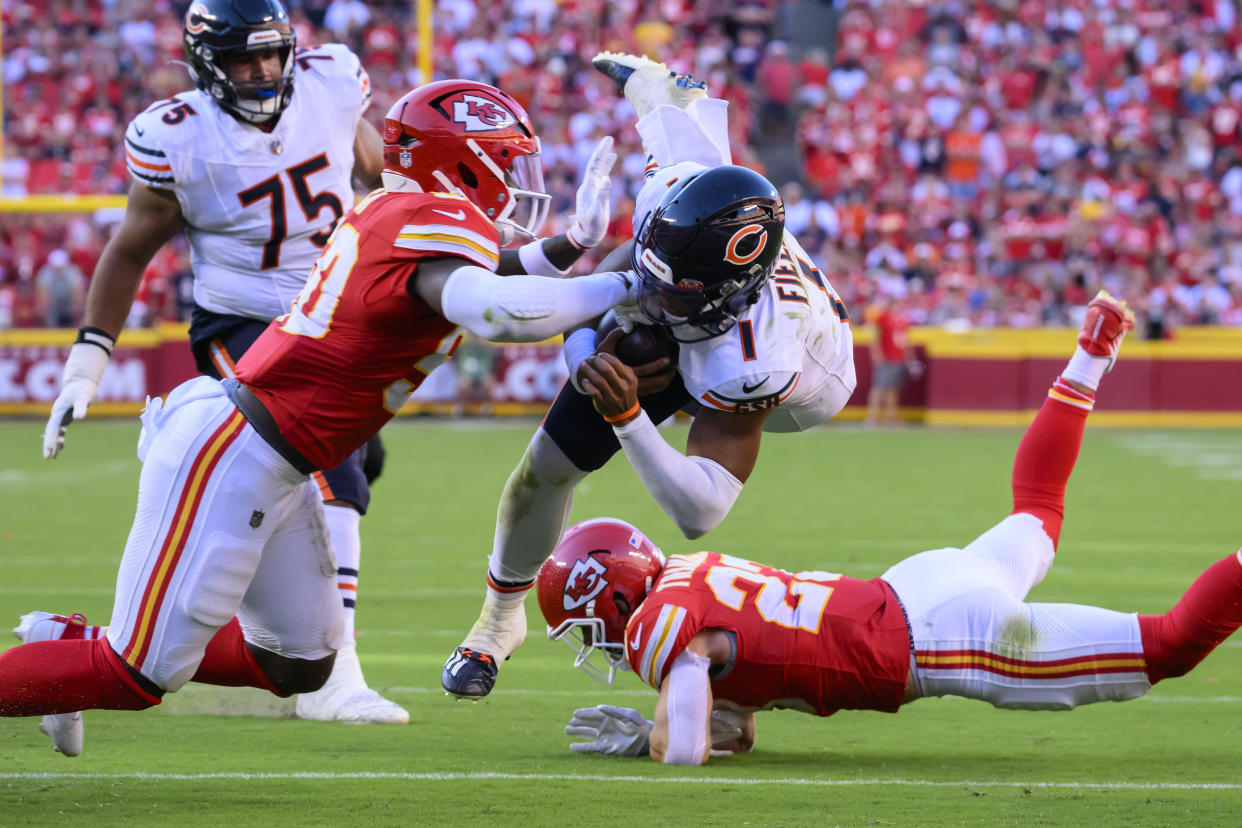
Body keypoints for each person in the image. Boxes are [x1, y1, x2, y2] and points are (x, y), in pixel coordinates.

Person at [2, 78, 633, 757]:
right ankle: (77, 660)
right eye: (504, 161)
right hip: (235, 452)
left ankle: (67, 647)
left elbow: (486, 278)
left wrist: (572, 244)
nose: (514, 180)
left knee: (300, 664)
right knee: (137, 674)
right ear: (461, 161)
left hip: (279, 464)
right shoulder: (426, 220)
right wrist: (630, 281)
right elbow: (496, 308)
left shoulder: (403, 212)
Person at [540, 293, 1242, 764]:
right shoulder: (693, 581)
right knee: (1036, 511)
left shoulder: (659, 624)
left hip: (945, 639)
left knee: (1171, 645)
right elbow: (736, 725)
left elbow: (689, 747)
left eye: (585, 620)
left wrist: (655, 738)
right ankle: (1091, 351)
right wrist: (671, 713)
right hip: (919, 585)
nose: (593, 637)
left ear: (615, 595)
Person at [442, 53, 856, 700]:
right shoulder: (673, 212)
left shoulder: (754, 358)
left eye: (677, 295)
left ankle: (680, 95)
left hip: (809, 384)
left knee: (647, 344)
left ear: (727, 292)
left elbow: (701, 510)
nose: (653, 299)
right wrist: (585, 359)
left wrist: (627, 416)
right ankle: (498, 621)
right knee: (545, 465)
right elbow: (624, 274)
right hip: (708, 312)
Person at [38, 0, 406, 726]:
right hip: (245, 321)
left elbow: (376, 170)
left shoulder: (332, 84)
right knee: (337, 473)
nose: (264, 70)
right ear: (207, 63)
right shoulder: (179, 136)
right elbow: (129, 251)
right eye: (245, 57)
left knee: (359, 465)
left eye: (272, 53)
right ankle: (340, 681)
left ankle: (86, 643)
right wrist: (87, 363)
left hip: (336, 320)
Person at [864, 292, 910, 426]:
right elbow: (876, 337)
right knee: (879, 387)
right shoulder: (883, 318)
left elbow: (903, 340)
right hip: (886, 356)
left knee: (893, 388)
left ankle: (890, 416)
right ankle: (872, 416)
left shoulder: (902, 320)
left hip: (897, 357)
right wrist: (877, 354)